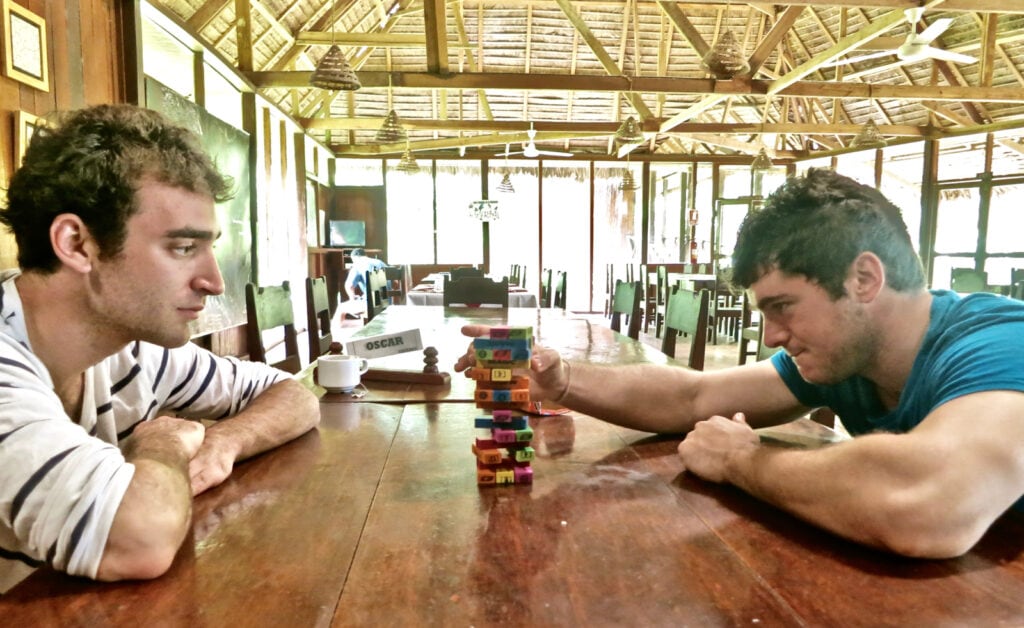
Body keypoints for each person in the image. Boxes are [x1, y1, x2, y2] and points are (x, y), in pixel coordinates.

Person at [456, 168, 1024, 559]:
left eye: (783, 307)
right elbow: (694, 398)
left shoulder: (1000, 344)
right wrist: (563, 381)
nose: (774, 336)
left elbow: (930, 506)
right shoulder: (847, 354)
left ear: (864, 279)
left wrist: (742, 462)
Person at [0, 104, 320, 592]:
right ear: (77, 244)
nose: (213, 281)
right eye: (182, 248)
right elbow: (139, 538)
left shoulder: (131, 346)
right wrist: (164, 443)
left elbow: (294, 395)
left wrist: (223, 442)